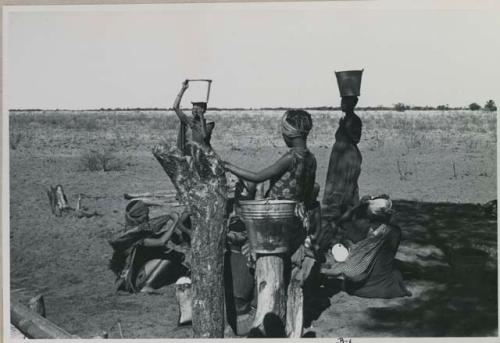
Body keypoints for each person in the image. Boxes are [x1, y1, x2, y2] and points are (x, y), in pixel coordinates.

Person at [321, 195, 412, 299]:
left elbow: (341, 222)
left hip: (361, 288)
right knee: (396, 272)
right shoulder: (395, 231)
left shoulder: (363, 228)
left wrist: (359, 206)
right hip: (386, 285)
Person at [318, 70, 364, 253]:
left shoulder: (353, 120)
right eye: (342, 100)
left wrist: (346, 127)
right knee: (340, 191)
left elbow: (356, 138)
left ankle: (342, 229)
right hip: (340, 157)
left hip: (347, 158)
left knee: (343, 192)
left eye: (346, 101)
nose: (342, 104)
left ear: (353, 103)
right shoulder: (345, 119)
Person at [173, 80, 215, 154]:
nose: (194, 111)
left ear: (203, 110)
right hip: (192, 152)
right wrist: (183, 89)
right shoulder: (189, 121)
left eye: (197, 109)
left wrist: (201, 118)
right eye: (193, 108)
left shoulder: (209, 123)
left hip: (205, 153)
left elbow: (204, 136)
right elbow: (175, 107)